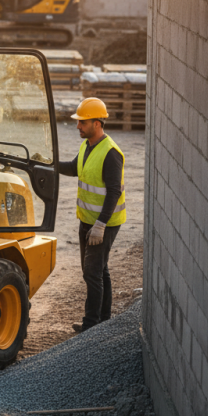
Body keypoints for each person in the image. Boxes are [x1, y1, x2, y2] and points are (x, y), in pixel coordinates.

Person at [58, 97, 126, 332]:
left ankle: (91, 326)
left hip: (104, 223)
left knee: (92, 273)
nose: (78, 126)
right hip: (88, 220)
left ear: (97, 123)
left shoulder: (111, 153)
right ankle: (103, 321)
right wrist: (50, 164)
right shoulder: (87, 146)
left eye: (83, 122)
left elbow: (114, 192)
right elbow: (74, 168)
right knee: (99, 270)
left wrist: (100, 225)